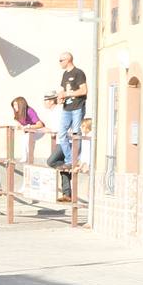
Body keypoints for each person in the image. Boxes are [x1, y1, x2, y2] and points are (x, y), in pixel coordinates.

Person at [55, 51, 88, 198]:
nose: (59, 62)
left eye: (61, 60)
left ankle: (75, 159)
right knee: (61, 134)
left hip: (77, 107)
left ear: (68, 60)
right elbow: (62, 90)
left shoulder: (79, 73)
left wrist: (68, 95)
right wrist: (60, 98)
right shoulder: (64, 75)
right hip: (66, 108)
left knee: (76, 134)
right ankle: (70, 159)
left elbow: (84, 90)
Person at [11, 96, 46, 164]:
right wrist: (19, 127)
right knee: (24, 139)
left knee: (27, 138)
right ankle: (26, 158)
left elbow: (40, 124)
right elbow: (20, 124)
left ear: (21, 104)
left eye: (16, 105)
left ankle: (27, 158)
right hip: (29, 131)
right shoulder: (17, 113)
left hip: (39, 130)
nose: (14, 107)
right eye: (13, 105)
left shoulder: (29, 111)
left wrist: (28, 126)